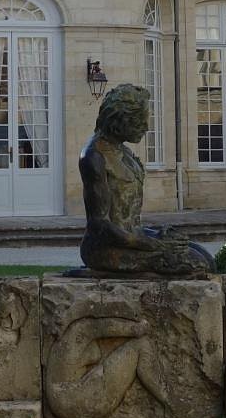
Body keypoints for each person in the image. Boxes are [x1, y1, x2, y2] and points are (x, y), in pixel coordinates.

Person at [78, 83, 212, 275]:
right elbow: (99, 224)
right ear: (119, 121)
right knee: (195, 262)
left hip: (130, 239)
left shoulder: (122, 150)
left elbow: (129, 224)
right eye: (139, 121)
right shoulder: (94, 157)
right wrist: (151, 243)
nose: (146, 127)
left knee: (200, 253)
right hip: (104, 249)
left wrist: (157, 235)